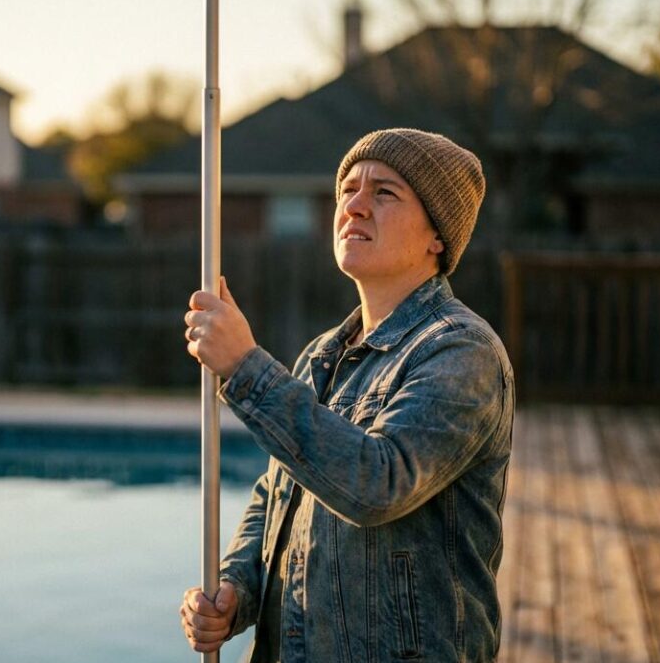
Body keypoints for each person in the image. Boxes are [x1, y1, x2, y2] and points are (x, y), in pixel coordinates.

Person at [179, 128, 515, 662]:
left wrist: (245, 366)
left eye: (385, 193)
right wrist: (234, 591)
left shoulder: (461, 352)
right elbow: (275, 498)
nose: (354, 206)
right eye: (347, 191)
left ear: (438, 236)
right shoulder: (322, 355)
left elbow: (377, 485)